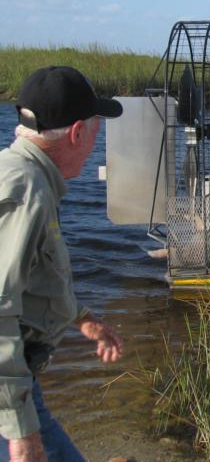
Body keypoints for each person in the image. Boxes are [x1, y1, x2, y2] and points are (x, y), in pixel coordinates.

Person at [0, 66, 125, 461]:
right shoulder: (25, 192)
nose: (94, 145)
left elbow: (32, 278)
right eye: (96, 131)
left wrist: (82, 317)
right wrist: (21, 434)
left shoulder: (25, 176)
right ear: (76, 133)